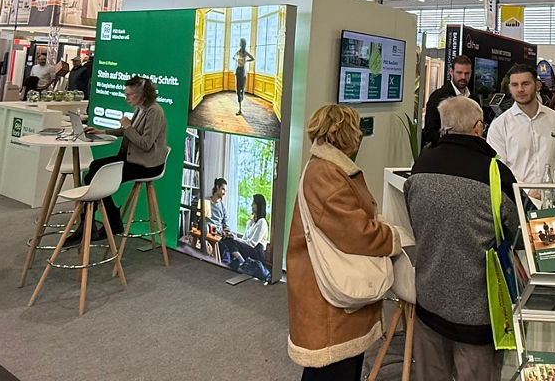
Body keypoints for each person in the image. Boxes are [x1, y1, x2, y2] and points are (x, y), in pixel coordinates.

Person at [287, 104, 404, 380]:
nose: (360, 135)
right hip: (329, 302)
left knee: (342, 367)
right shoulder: (327, 174)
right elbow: (357, 233)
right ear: (344, 134)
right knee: (334, 369)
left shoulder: (326, 168)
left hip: (327, 291)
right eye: (356, 129)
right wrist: (393, 237)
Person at [405, 96, 518, 380]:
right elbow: (516, 229)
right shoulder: (496, 173)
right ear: (478, 127)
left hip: (429, 301)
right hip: (478, 313)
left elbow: (414, 218)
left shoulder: (421, 165)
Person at [67, 75, 168, 243]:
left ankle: (95, 223)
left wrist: (128, 126)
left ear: (143, 94)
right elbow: (129, 131)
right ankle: (103, 221)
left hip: (147, 164)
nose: (126, 98)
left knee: (98, 175)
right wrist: (102, 131)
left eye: (130, 95)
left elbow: (145, 143)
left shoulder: (154, 112)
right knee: (94, 167)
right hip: (132, 159)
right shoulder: (141, 108)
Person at [485, 64, 555, 188]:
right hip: (516, 197)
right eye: (515, 85)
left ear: (538, 86)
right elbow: (499, 169)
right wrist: (526, 192)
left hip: (553, 197)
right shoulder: (499, 126)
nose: (520, 89)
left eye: (525, 84)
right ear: (509, 88)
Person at [420, 55, 473, 148]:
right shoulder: (438, 97)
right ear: (451, 72)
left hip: (469, 150)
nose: (463, 77)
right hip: (444, 151)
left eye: (467, 73)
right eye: (459, 73)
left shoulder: (473, 99)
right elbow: (430, 132)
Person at [219, 193, 269, 271]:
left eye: (254, 203)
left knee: (231, 240)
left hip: (256, 251)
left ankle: (242, 263)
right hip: (248, 248)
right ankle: (239, 261)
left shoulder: (262, 222)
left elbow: (252, 244)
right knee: (226, 239)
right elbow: (244, 239)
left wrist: (235, 238)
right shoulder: (250, 222)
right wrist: (232, 236)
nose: (251, 205)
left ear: (259, 206)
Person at [233, 39, 255, 115]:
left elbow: (253, 58)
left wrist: (246, 61)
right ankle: (239, 108)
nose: (239, 43)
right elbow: (233, 57)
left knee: (241, 89)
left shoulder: (245, 52)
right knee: (237, 89)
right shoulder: (238, 51)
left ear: (242, 43)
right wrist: (236, 59)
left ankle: (240, 108)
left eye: (240, 42)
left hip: (242, 71)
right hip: (238, 70)